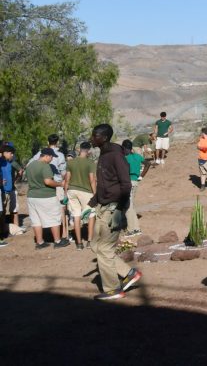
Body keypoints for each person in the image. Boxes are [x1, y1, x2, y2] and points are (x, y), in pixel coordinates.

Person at [89, 124, 142, 300]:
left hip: (112, 209)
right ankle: (128, 273)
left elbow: (125, 184)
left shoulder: (115, 156)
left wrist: (119, 208)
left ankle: (113, 289)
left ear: (104, 138)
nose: (91, 138)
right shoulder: (104, 154)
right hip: (102, 206)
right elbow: (106, 183)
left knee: (104, 248)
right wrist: (93, 202)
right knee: (96, 245)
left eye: (95, 135)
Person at [26, 148, 69, 249]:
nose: (52, 159)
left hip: (32, 196)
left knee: (36, 220)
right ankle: (57, 241)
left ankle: (40, 242)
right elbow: (48, 181)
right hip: (46, 196)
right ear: (46, 156)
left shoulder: (30, 165)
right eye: (51, 157)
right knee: (54, 218)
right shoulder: (45, 166)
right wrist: (60, 184)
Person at [64, 142, 96, 249]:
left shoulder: (71, 163)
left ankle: (79, 243)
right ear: (89, 151)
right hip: (86, 191)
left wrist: (65, 194)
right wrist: (95, 194)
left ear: (79, 150)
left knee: (76, 216)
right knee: (91, 215)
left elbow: (67, 179)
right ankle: (89, 241)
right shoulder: (90, 163)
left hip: (71, 191)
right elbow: (92, 180)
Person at [122, 140, 148, 235]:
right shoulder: (137, 156)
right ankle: (136, 228)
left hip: (128, 182)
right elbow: (147, 164)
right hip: (135, 182)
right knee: (131, 205)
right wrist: (141, 175)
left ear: (124, 148)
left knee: (128, 206)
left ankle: (131, 230)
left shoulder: (125, 158)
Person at [1, 143, 24, 236]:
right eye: (11, 153)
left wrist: (14, 180)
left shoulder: (9, 163)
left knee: (8, 211)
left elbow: (20, 171)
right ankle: (3, 231)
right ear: (5, 152)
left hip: (9, 190)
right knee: (2, 212)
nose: (12, 155)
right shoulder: (1, 162)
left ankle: (11, 229)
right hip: (3, 191)